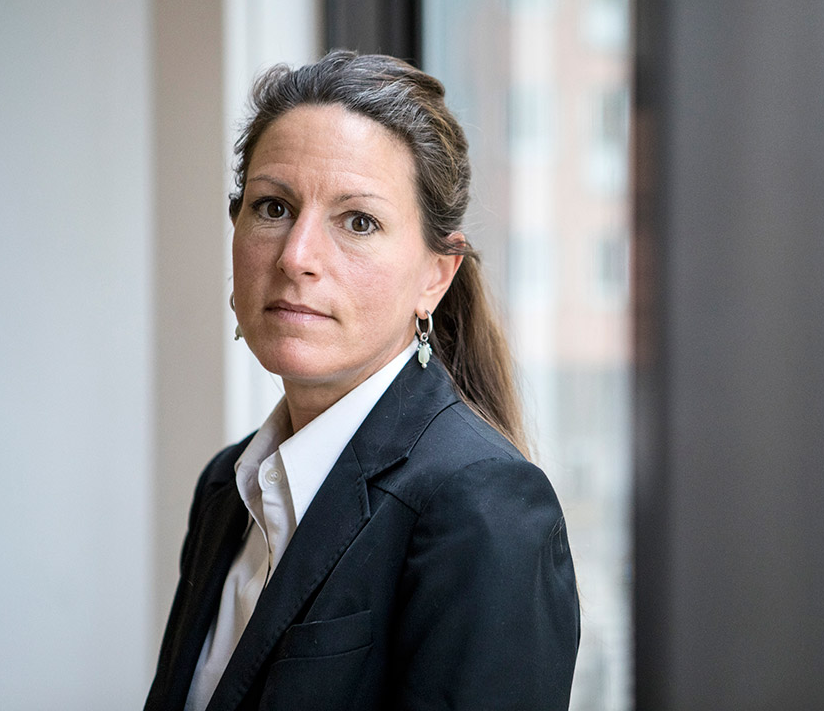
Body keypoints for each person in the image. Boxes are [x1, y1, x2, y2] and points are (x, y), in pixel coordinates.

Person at [145, 51, 580, 710]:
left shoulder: (482, 507)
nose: (296, 257)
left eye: (359, 221)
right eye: (272, 207)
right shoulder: (226, 488)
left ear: (436, 276)